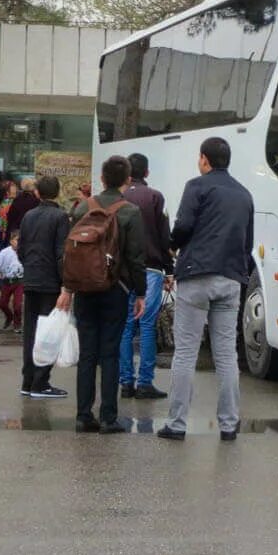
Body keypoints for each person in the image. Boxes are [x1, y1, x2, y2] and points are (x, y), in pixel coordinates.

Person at [158, 138, 255, 443]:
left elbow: (184, 225)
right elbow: (247, 241)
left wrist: (172, 246)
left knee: (186, 352)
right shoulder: (244, 194)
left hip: (196, 274)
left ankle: (176, 423)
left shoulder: (197, 186)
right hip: (230, 278)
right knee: (226, 354)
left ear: (204, 159)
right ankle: (228, 424)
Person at [66, 156, 146, 434]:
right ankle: (109, 417)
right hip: (115, 288)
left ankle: (83, 414)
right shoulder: (130, 212)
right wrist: (140, 293)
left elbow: (70, 253)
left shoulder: (82, 209)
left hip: (85, 288)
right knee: (109, 352)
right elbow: (136, 258)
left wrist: (68, 288)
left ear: (101, 178)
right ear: (127, 180)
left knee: (87, 353)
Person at [120, 153, 173, 401]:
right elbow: (164, 238)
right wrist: (169, 269)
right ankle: (145, 383)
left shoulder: (119, 198)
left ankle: (125, 381)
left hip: (123, 272)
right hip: (151, 269)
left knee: (126, 326)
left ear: (128, 174)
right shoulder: (155, 197)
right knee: (147, 324)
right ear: (147, 173)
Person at [16, 175, 71, 400]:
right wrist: (65, 284)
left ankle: (28, 380)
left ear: (37, 193)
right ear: (57, 193)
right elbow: (61, 253)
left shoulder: (28, 216)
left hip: (31, 278)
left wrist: (29, 266)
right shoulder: (60, 217)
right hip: (50, 282)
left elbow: (21, 248)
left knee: (30, 332)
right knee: (49, 332)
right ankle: (41, 381)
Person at [0, 230, 24, 331]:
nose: (19, 243)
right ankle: (9, 316)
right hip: (7, 281)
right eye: (17, 240)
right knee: (2, 304)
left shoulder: (25, 252)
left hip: (19, 281)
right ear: (11, 241)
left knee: (17, 305)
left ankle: (17, 324)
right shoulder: (5, 252)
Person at [0, 180, 17, 251]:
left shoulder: (2, 204)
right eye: (14, 189)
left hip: (1, 229)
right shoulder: (11, 203)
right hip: (7, 231)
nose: (15, 190)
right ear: (7, 192)